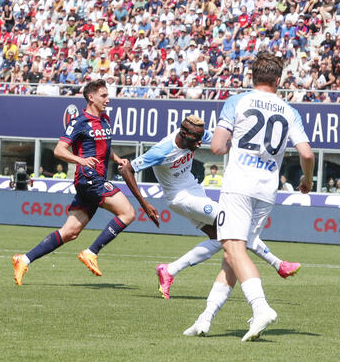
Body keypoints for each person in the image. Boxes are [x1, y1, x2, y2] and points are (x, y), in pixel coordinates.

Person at [185, 52, 314, 341]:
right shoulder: (289, 110)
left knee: (232, 249)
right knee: (233, 256)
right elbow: (306, 153)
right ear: (278, 80)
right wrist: (306, 178)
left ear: (252, 77)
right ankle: (205, 318)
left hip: (239, 185)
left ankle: (261, 308)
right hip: (267, 190)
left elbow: (218, 147)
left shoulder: (237, 101)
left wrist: (235, 141)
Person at [119, 115, 300, 300]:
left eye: (200, 138)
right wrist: (145, 204)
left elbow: (219, 139)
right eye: (196, 139)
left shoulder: (195, 136)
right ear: (183, 133)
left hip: (195, 191)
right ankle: (278, 264)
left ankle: (169, 270)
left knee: (218, 238)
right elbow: (126, 170)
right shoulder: (162, 150)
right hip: (181, 198)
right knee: (234, 224)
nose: (199, 143)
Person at [12, 80, 136, 285]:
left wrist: (117, 159)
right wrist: (81, 160)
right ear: (91, 97)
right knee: (128, 213)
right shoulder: (79, 122)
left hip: (95, 180)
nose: (108, 99)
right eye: (104, 95)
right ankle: (91, 252)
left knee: (70, 232)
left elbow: (103, 147)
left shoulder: (104, 119)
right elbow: (59, 150)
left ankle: (23, 259)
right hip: (89, 179)